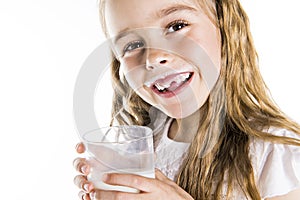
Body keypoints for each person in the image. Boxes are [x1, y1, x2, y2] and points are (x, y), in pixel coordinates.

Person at [73, 0, 300, 199]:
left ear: (225, 24)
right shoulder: (147, 142)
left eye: (176, 26)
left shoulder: (278, 156)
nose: (153, 57)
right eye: (132, 45)